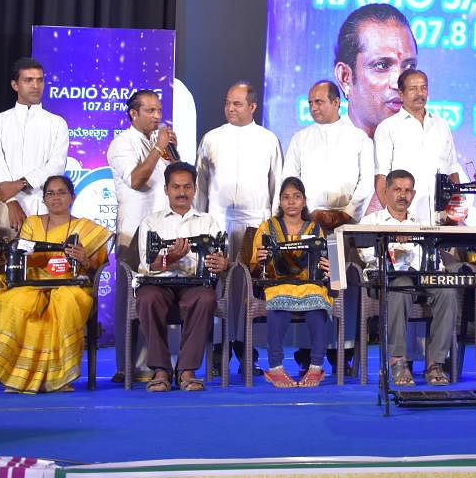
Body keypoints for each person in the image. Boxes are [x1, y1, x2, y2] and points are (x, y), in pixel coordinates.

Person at [0, 175, 111, 392]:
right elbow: (23, 256)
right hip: (32, 283)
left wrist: (84, 259)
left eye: (61, 192)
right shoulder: (32, 223)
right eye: (50, 193)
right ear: (44, 200)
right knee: (18, 301)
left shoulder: (87, 228)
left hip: (71, 286)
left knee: (65, 301)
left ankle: (57, 377)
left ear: (72, 196)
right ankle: (19, 375)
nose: (56, 197)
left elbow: (95, 268)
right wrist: (0, 257)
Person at [136, 162, 231, 392]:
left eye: (187, 187)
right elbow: (148, 265)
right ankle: (161, 369)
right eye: (176, 187)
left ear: (194, 189)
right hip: (159, 284)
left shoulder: (208, 222)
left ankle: (186, 370)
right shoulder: (151, 222)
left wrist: (222, 263)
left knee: (206, 298)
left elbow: (219, 256)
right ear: (166, 189)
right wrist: (171, 259)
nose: (181, 192)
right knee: (147, 298)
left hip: (194, 284)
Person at [360, 169, 458, 386]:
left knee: (447, 290)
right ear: (386, 193)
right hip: (384, 279)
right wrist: (398, 245)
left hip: (421, 279)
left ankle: (435, 363)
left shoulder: (421, 223)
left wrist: (439, 272)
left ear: (413, 195)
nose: (402, 195)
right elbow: (366, 254)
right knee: (401, 284)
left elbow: (431, 256)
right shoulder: (371, 221)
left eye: (407, 191)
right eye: (397, 190)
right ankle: (398, 361)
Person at [106, 89, 176, 381]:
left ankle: (152, 365)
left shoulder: (160, 145)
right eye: (150, 111)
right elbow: (137, 180)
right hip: (133, 234)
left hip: (163, 232)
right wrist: (158, 149)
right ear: (133, 114)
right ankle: (126, 365)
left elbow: (175, 180)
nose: (157, 116)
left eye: (159, 110)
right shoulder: (121, 144)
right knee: (129, 300)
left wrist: (170, 154)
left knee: (155, 298)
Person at [248, 177, 333, 388]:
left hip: (308, 284)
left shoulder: (314, 229)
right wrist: (259, 261)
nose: (291, 202)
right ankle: (275, 367)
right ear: (280, 201)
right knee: (279, 305)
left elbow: (323, 259)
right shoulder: (268, 228)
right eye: (286, 197)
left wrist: (327, 265)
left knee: (317, 306)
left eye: (296, 197)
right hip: (278, 283)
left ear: (304, 201)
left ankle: (315, 367)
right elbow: (255, 268)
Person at [0, 57, 69, 246]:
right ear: (15, 85)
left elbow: (56, 166)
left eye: (40, 80)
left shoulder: (57, 123)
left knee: (40, 267)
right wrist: (12, 201)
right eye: (28, 80)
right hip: (2, 204)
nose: (35, 85)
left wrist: (23, 183)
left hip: (42, 206)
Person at [194, 82, 282, 259]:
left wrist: (274, 226)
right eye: (227, 103)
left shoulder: (268, 140)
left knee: (251, 275)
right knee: (218, 275)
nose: (230, 108)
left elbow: (277, 184)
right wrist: (199, 221)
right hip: (217, 220)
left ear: (252, 107)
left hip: (256, 221)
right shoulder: (211, 138)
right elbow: (200, 185)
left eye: (237, 104)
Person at [282, 80, 374, 230]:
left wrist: (347, 214)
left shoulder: (359, 137)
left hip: (348, 221)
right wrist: (310, 211)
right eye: (310, 103)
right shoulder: (300, 138)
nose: (313, 108)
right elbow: (290, 179)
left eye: (318, 102)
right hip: (308, 220)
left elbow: (367, 181)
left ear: (336, 102)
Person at [373, 70, 461, 225]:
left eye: (424, 88)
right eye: (413, 89)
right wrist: (394, 220)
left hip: (442, 219)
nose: (420, 93)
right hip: (406, 220)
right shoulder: (387, 127)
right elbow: (381, 178)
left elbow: (453, 171)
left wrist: (456, 213)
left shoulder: (441, 125)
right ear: (401, 93)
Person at [333, 3, 419, 139]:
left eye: (409, 67)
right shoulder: (316, 153)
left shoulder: (432, 152)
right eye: (382, 66)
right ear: (345, 77)